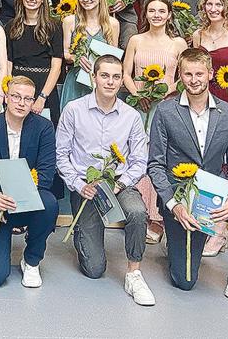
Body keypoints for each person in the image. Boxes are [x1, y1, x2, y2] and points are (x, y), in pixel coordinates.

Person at [147, 48, 228, 311]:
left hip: (218, 195)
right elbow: (155, 165)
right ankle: (173, 239)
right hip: (181, 199)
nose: (194, 80)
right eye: (188, 74)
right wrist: (175, 206)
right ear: (180, 75)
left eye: (199, 73)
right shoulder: (165, 111)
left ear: (210, 74)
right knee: (184, 282)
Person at [56, 54, 154, 306]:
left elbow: (139, 161)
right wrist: (80, 185)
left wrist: (120, 184)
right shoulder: (73, 110)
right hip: (85, 186)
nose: (110, 82)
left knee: (137, 212)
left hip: (119, 183)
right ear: (94, 77)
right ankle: (83, 233)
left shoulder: (132, 116)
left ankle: (134, 272)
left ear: (122, 81)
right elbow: (61, 156)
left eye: (116, 77)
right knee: (94, 269)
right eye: (105, 76)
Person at [0, 76, 58, 288]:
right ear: (5, 98)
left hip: (28, 201)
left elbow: (47, 173)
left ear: (33, 102)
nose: (22, 103)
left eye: (28, 99)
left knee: (49, 203)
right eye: (16, 96)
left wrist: (22, 195)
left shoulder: (44, 128)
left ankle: (31, 260)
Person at [124, 0, 188, 242]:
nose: (157, 15)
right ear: (146, 14)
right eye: (152, 10)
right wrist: (137, 93)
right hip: (141, 106)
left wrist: (170, 90)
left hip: (167, 106)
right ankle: (138, 213)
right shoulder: (135, 40)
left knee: (161, 159)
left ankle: (160, 217)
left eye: (162, 11)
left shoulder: (178, 43)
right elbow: (126, 72)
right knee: (140, 156)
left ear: (169, 14)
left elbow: (184, 76)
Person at [6, 0, 63, 123]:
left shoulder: (54, 27)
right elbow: (8, 63)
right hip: (18, 88)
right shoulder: (11, 27)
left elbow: (56, 67)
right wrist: (9, 93)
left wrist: (42, 97)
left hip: (45, 89)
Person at [60, 0, 119, 109]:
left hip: (101, 85)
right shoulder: (69, 21)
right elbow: (65, 53)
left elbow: (113, 59)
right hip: (76, 82)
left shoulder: (112, 24)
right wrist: (76, 58)